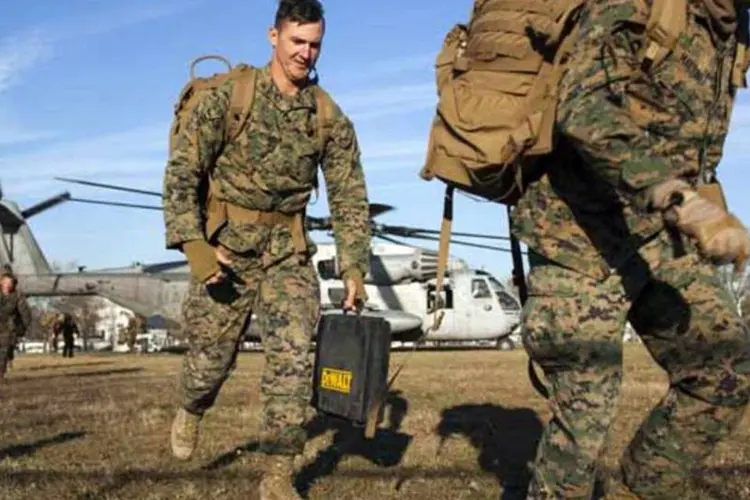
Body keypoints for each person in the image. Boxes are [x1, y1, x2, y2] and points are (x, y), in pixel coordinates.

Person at [509, 1, 750, 498]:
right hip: (578, 237)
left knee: (728, 369)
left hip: (659, 241)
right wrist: (679, 198)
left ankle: (642, 487)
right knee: (584, 423)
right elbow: (582, 106)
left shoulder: (734, 26)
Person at [161, 0, 371, 497]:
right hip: (226, 251)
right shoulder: (230, 96)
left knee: (293, 362)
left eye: (314, 43)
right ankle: (192, 405)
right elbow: (183, 171)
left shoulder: (326, 115)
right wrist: (194, 244)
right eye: (297, 41)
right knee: (209, 362)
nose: (306, 52)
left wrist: (355, 264)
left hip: (288, 253)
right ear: (273, 37)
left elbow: (349, 192)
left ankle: (277, 474)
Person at [0, 268, 30, 378]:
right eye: (6, 282)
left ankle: (1, 373)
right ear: (1, 282)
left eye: (10, 283)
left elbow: (26, 313)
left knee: (3, 351)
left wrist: (22, 328)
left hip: (9, 328)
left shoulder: (18, 296)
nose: (8, 285)